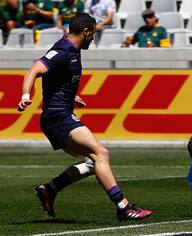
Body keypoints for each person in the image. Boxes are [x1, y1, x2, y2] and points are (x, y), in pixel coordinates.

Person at [17, 13, 152, 222]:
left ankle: (50, 189)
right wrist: (26, 96)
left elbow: (57, 78)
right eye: (93, 34)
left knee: (92, 162)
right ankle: (123, 207)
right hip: (58, 117)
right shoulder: (63, 50)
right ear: (86, 31)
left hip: (59, 115)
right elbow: (32, 71)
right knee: (101, 154)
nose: (93, 39)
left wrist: (71, 96)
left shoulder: (73, 49)